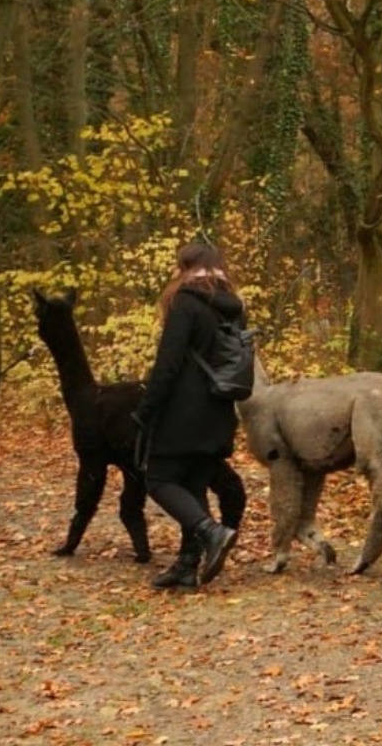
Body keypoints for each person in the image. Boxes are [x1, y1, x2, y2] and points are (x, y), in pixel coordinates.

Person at [135, 241, 246, 589]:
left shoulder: (185, 303)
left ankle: (209, 532)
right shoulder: (235, 307)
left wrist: (145, 411)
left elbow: (167, 365)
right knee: (194, 483)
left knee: (160, 480)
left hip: (184, 411)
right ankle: (187, 563)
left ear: (185, 267)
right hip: (221, 407)